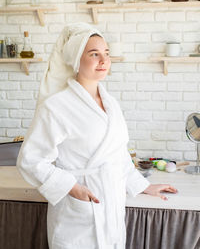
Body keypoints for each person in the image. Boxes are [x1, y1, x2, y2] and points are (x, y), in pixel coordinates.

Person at [17, 23, 177, 249]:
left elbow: (119, 154)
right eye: (94, 54)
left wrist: (142, 186)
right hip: (78, 210)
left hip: (111, 207)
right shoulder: (56, 107)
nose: (103, 60)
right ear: (76, 60)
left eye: (106, 53)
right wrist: (72, 187)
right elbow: (30, 161)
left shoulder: (111, 103)